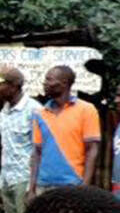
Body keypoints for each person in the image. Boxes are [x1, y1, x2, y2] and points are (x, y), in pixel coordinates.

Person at [0, 67, 43, 213]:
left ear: (13, 87)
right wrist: (0, 184)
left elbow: (41, 150)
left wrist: (33, 187)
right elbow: (6, 151)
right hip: (8, 181)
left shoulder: (35, 111)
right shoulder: (3, 114)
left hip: (25, 180)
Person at [29, 65, 100, 195]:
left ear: (64, 83)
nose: (45, 83)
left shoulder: (87, 110)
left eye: (49, 79)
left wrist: (84, 186)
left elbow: (92, 150)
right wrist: (32, 189)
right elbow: (36, 153)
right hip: (43, 186)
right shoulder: (39, 113)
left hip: (73, 185)